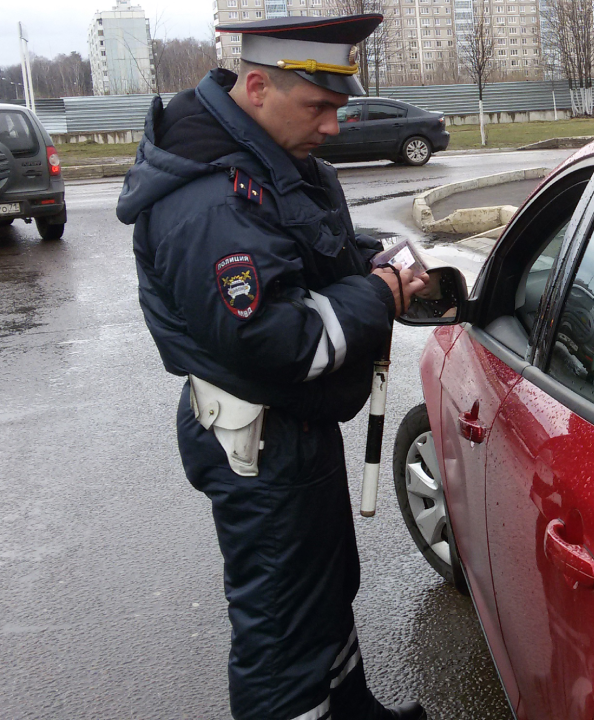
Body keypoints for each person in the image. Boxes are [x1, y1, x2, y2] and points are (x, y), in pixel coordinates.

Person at [116, 14, 428, 720]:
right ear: (256, 86)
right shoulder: (208, 198)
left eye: (340, 108)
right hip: (259, 440)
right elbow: (277, 339)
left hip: (292, 431)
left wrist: (369, 256)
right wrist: (377, 293)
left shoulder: (259, 158)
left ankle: (351, 708)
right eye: (319, 107)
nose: (334, 128)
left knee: (323, 589)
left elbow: (303, 248)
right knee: (283, 630)